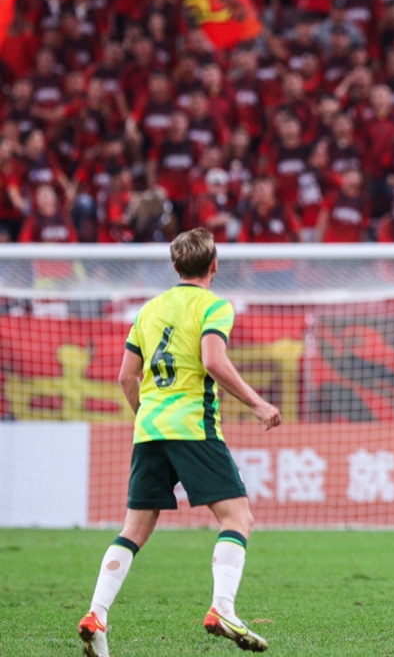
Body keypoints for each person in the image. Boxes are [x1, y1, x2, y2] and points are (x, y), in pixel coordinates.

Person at [77, 228, 282, 657]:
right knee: (237, 519)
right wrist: (258, 403)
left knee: (133, 530)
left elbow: (124, 377)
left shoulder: (149, 309)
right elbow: (213, 359)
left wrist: (148, 416)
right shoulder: (214, 305)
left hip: (149, 429)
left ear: (175, 267)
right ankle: (223, 607)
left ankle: (97, 615)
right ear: (214, 265)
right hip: (193, 427)